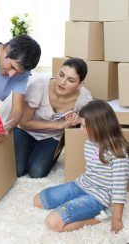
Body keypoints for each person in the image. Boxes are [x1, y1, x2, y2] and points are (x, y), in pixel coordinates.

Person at [33, 100, 129, 233]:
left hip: (97, 197)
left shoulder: (119, 153)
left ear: (99, 126)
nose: (81, 130)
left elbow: (119, 189)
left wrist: (117, 219)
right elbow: (92, 172)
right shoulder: (90, 141)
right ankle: (76, 205)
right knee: (38, 200)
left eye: (84, 126)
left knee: (53, 223)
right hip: (81, 185)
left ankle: (99, 217)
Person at [14, 58, 92, 178]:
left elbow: (87, 125)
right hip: (26, 131)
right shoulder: (39, 86)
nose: (62, 82)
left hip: (52, 137)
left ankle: (47, 154)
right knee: (18, 170)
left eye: (70, 80)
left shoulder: (84, 98)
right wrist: (58, 125)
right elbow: (24, 122)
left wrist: (77, 119)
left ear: (80, 84)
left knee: (37, 172)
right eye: (61, 75)